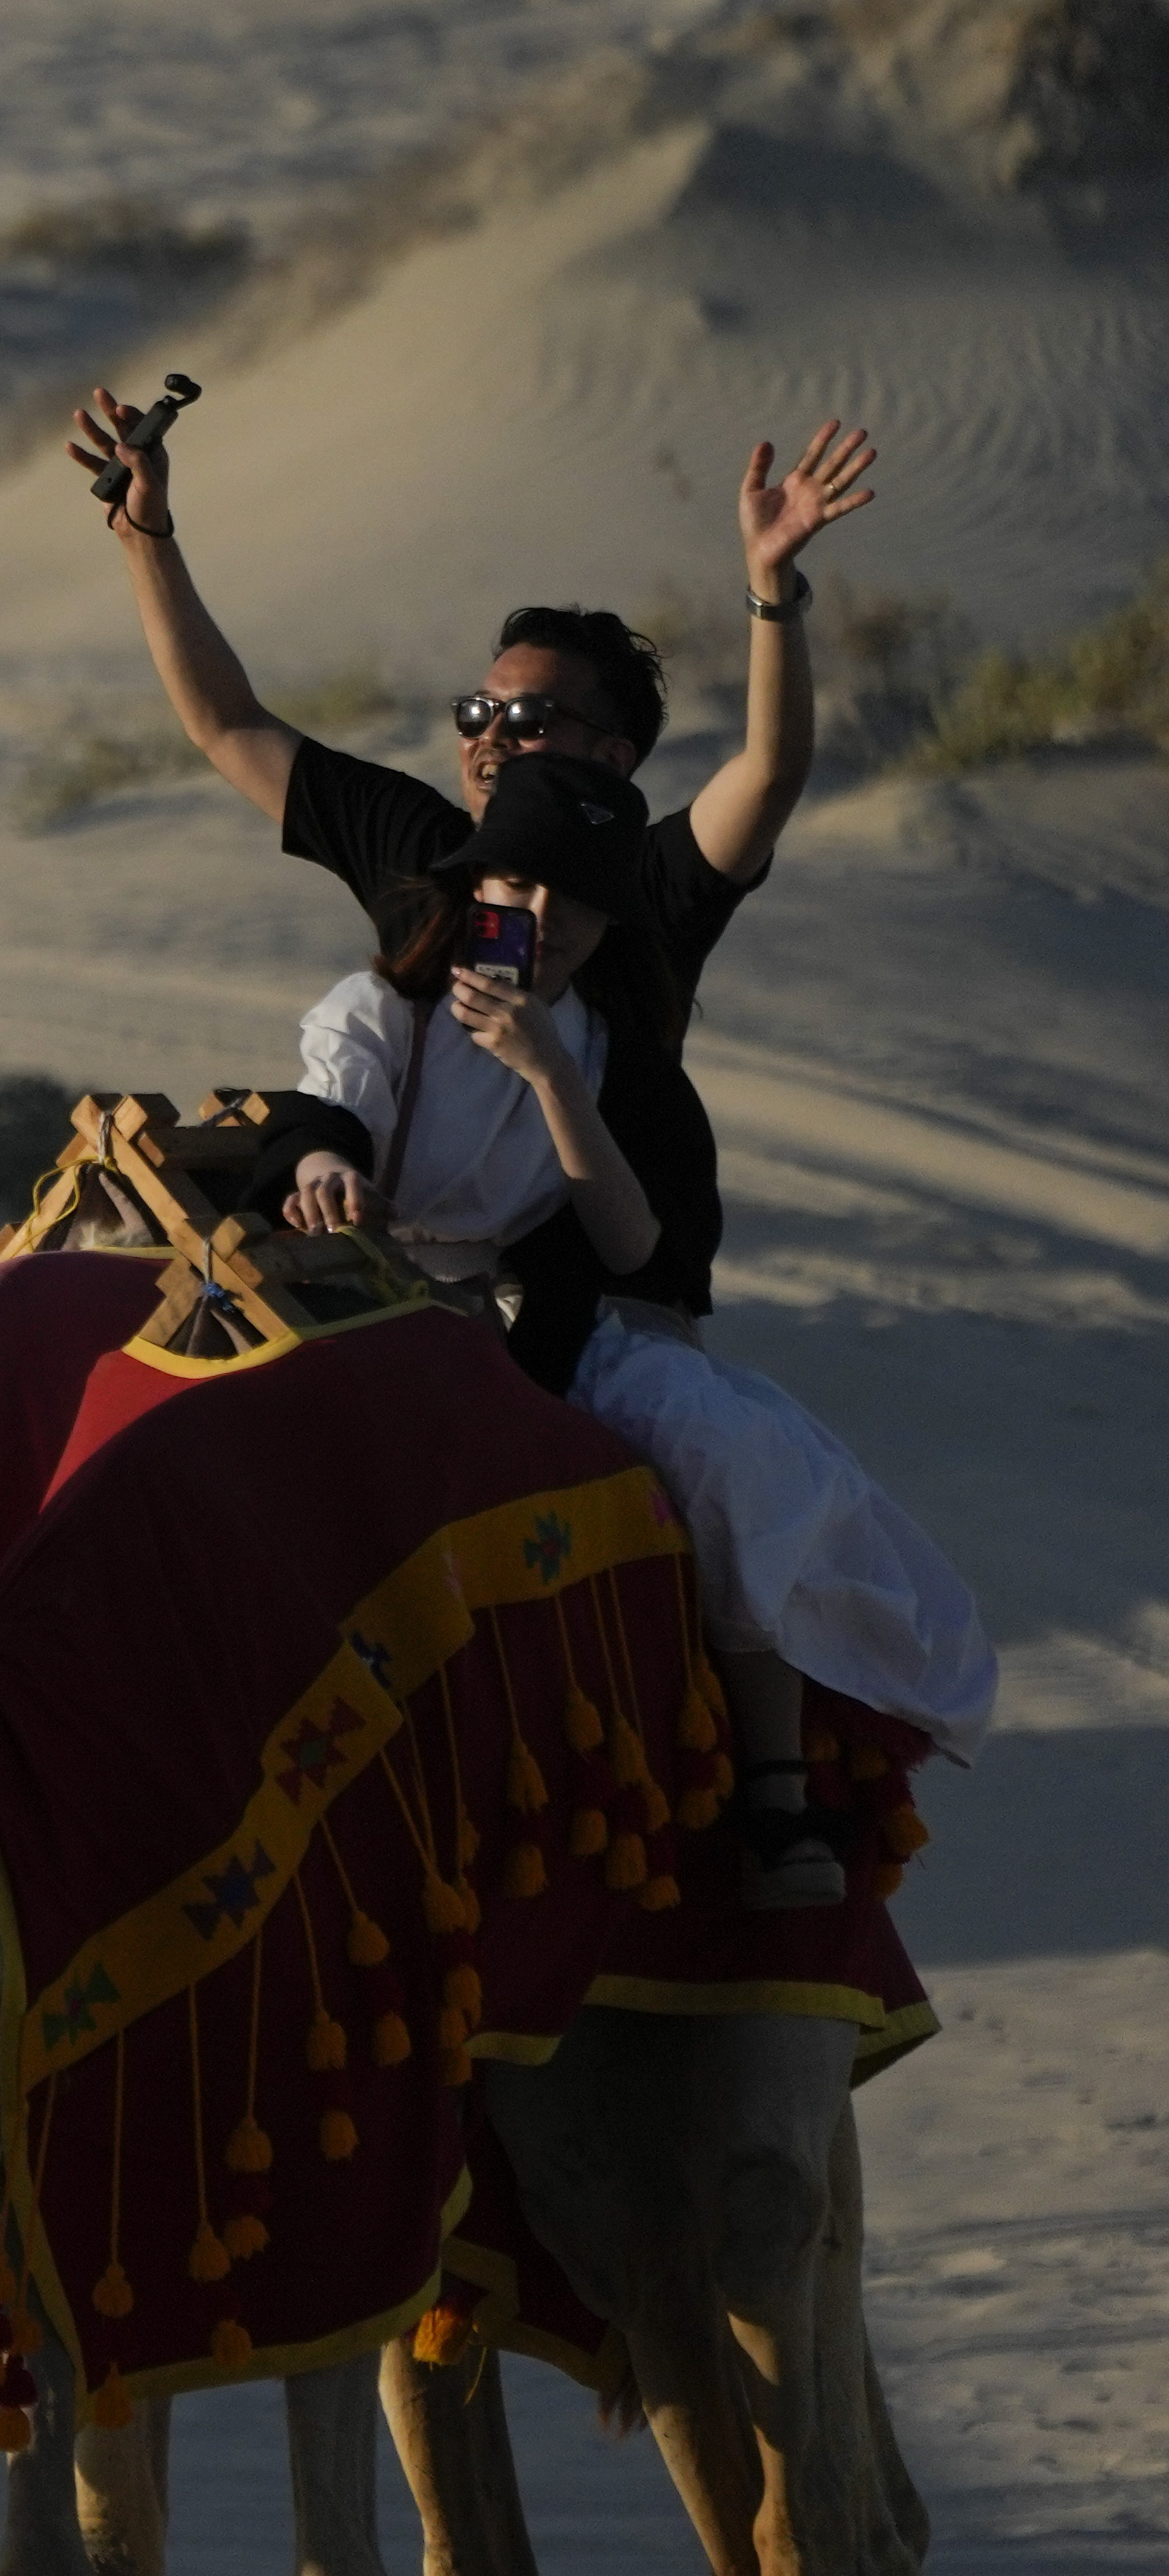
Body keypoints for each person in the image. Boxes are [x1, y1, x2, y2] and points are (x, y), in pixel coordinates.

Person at [82, 393, 986, 1884]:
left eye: (539, 719)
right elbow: (227, 724)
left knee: (720, 1455)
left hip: (599, 1297)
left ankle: (768, 1803)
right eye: (479, 716)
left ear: (621, 756)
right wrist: (145, 532)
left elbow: (765, 782)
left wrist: (769, 591)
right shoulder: (421, 869)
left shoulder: (639, 887)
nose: (498, 740)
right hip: (381, 1260)